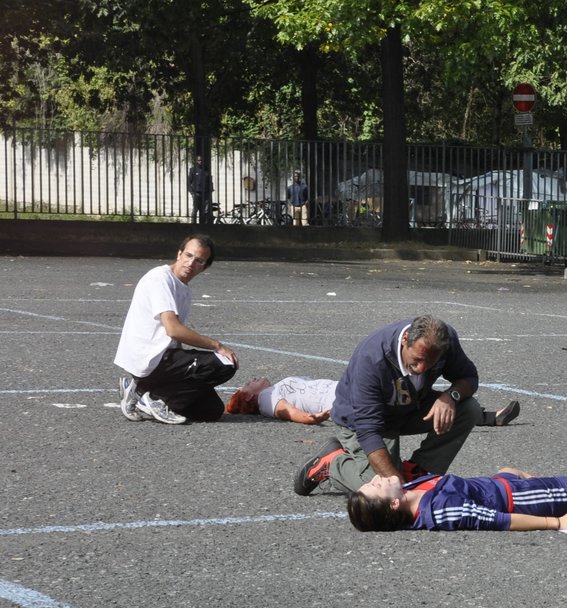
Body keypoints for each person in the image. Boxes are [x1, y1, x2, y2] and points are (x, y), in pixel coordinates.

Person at [292, 315, 485, 496]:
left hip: (408, 407)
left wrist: (451, 396)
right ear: (405, 339)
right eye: (417, 360)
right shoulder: (372, 359)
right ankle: (332, 463)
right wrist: (396, 484)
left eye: (430, 362)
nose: (421, 369)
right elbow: (368, 430)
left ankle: (418, 471)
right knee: (385, 493)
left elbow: (468, 377)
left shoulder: (444, 340)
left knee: (468, 409)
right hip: (363, 423)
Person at [346, 465, 567, 533]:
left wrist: (505, 475)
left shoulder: (413, 492)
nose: (378, 478)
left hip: (504, 487)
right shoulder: (441, 510)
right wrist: (557, 522)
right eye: (377, 487)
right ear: (394, 504)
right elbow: (498, 520)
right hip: (524, 501)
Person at [113, 234, 238, 425]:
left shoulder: (184, 288)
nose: (191, 263)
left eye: (199, 260)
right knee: (224, 364)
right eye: (188, 255)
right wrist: (217, 346)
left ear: (204, 267)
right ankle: (153, 398)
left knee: (211, 411)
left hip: (163, 357)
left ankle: (141, 390)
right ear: (179, 254)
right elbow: (174, 330)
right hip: (149, 358)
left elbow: (173, 336)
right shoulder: (160, 278)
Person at [226, 374, 520, 427]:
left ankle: (485, 416)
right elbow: (286, 411)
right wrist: (310, 418)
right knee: (407, 399)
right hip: (343, 398)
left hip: (347, 388)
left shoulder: (275, 386)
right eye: (248, 383)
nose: (254, 379)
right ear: (249, 395)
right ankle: (486, 417)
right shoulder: (266, 398)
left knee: (409, 397)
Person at [187, 154, 213, 226]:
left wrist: (210, 191)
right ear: (196, 161)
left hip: (205, 193)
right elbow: (189, 182)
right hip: (196, 192)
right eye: (199, 160)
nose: (200, 161)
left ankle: (204, 225)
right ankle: (193, 224)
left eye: (201, 160)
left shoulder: (206, 170)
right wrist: (192, 192)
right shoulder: (193, 170)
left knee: (205, 210)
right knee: (195, 209)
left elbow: (209, 181)